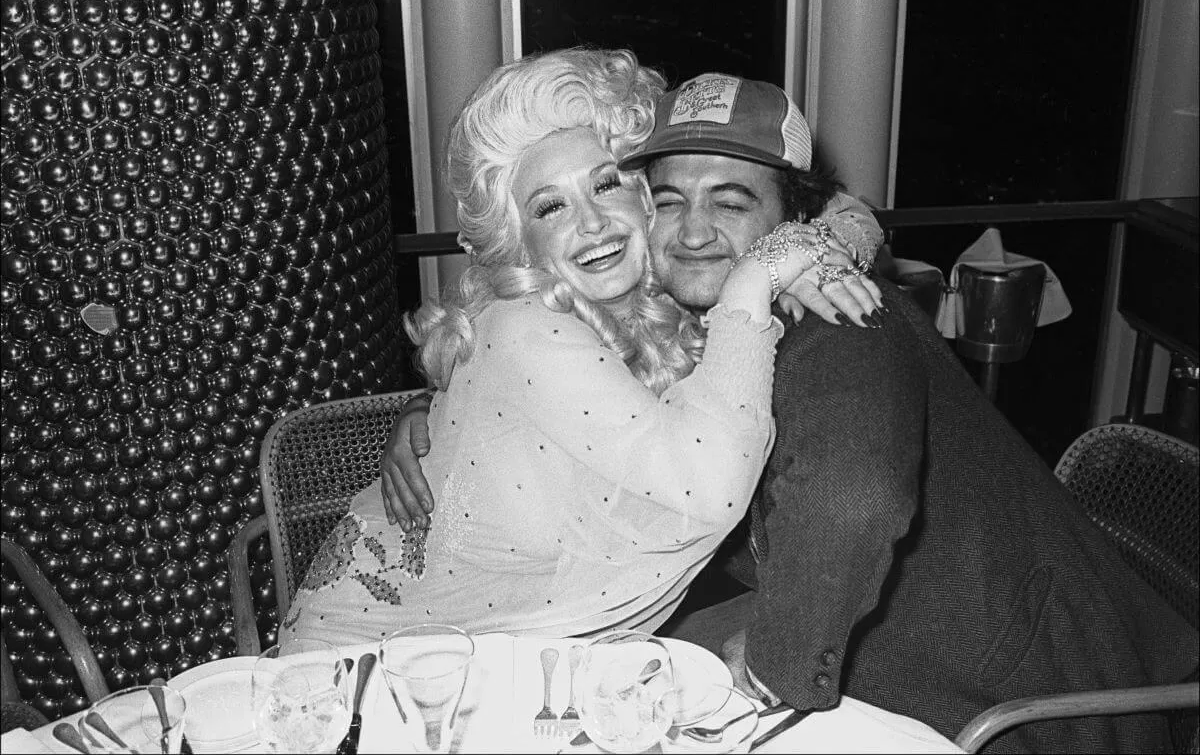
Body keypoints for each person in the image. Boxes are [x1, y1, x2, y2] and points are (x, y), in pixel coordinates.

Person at [382, 72, 1199, 753]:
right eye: (667, 201)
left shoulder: (840, 316)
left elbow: (850, 494)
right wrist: (440, 411)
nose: (694, 231)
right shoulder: (700, 328)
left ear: (793, 225)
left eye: (732, 202)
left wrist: (778, 660)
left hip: (1027, 706)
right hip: (897, 652)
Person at [281, 49, 883, 646]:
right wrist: (761, 270)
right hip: (379, 663)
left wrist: (811, 240)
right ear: (519, 241)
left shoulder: (663, 295)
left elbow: (850, 209)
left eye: (606, 184)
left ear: (646, 199)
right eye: (551, 207)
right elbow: (708, 485)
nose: (592, 223)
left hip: (526, 655)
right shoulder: (524, 327)